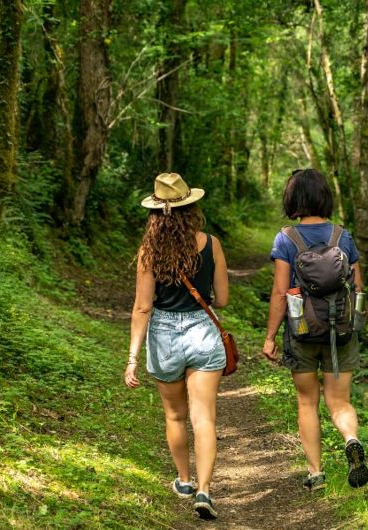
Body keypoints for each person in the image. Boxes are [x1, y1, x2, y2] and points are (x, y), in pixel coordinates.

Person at [124, 172, 229, 520]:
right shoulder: (211, 243)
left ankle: (184, 480)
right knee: (204, 418)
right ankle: (204, 490)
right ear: (192, 207)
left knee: (174, 415)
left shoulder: (148, 251)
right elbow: (223, 299)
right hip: (202, 332)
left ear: (155, 212)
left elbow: (142, 307)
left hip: (164, 336)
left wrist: (133, 359)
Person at [262, 168, 368, 492]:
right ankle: (351, 439)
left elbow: (281, 294)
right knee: (339, 402)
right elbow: (359, 286)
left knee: (307, 403)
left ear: (293, 198)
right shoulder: (342, 236)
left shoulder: (286, 238)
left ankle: (316, 474)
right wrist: (355, 326)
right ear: (324, 196)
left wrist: (269, 337)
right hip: (341, 332)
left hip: (303, 332)